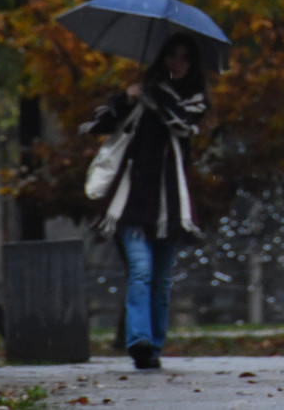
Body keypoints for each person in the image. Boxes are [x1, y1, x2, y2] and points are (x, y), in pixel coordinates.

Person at [81, 32, 209, 370]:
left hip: (172, 207)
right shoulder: (140, 95)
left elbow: (183, 122)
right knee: (141, 270)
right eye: (172, 55)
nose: (177, 63)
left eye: (185, 58)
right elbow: (100, 123)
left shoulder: (193, 99)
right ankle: (138, 340)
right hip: (131, 202)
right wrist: (128, 97)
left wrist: (157, 93)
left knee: (161, 281)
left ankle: (153, 344)